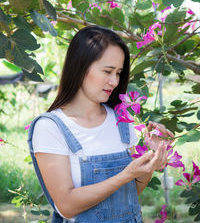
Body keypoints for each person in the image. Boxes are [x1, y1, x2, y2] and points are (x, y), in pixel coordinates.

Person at [28, 25, 173, 223]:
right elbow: (67, 206)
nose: (114, 81)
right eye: (107, 71)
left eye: (119, 72)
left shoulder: (121, 119)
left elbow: (130, 195)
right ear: (80, 67)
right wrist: (125, 175)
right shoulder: (51, 127)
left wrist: (148, 162)